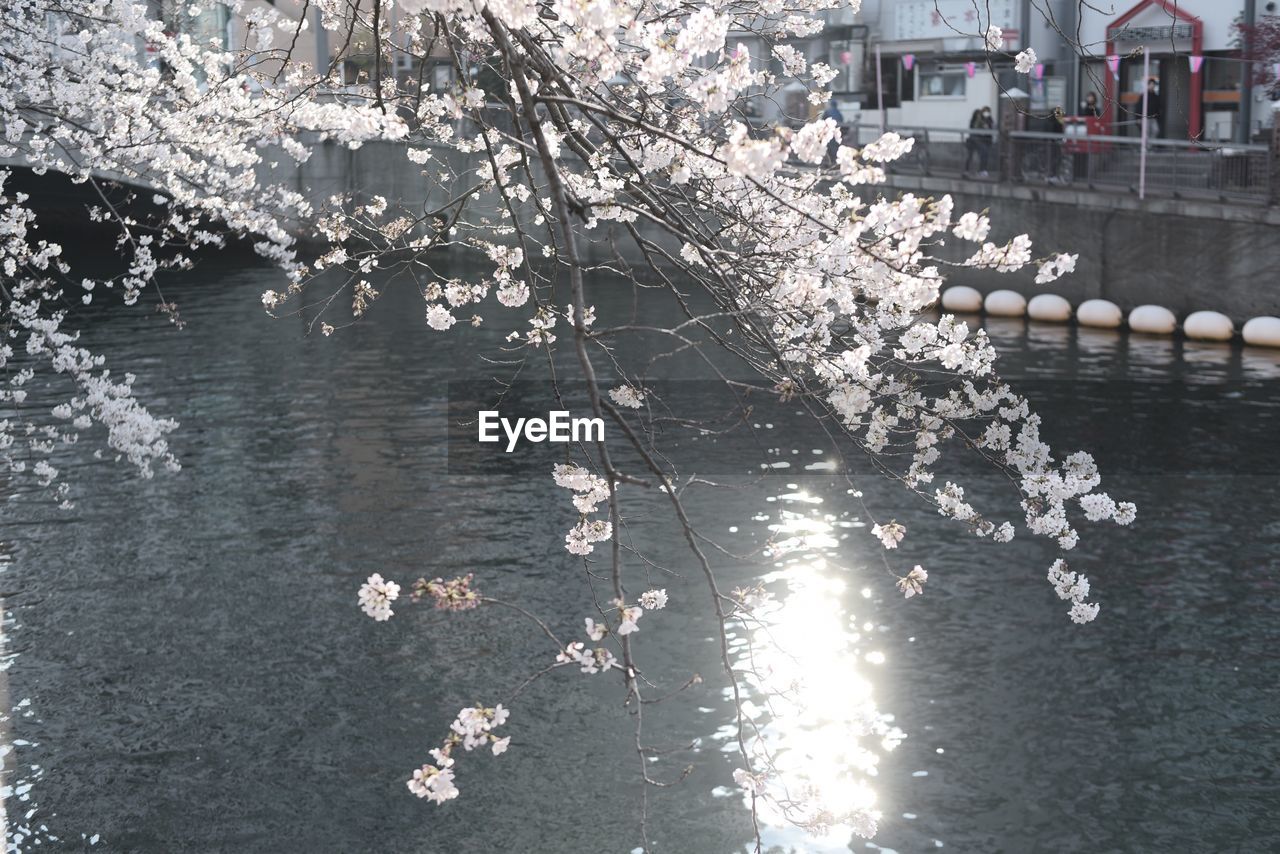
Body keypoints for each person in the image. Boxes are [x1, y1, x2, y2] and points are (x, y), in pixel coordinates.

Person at [965, 106, 993, 175]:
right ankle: (967, 169)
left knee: (984, 155)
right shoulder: (975, 121)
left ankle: (982, 170)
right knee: (971, 155)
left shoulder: (989, 119)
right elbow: (973, 129)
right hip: (976, 140)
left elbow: (991, 128)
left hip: (985, 140)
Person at [822, 98, 844, 164]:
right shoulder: (839, 113)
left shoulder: (827, 111)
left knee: (828, 147)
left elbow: (823, 120)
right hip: (836, 133)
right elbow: (842, 121)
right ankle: (835, 162)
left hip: (828, 132)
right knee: (835, 147)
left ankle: (828, 163)